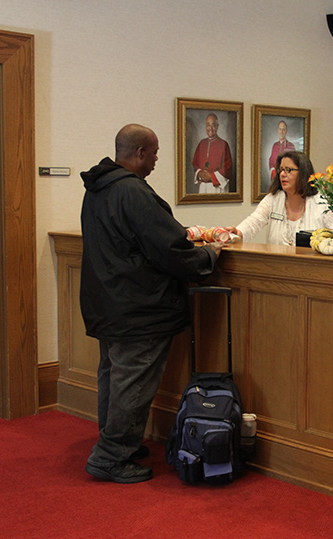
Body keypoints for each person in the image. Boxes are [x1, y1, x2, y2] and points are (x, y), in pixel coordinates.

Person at [80, 123, 225, 484]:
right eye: (156, 152)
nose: (158, 159)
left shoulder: (98, 188)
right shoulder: (132, 192)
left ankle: (116, 442)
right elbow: (169, 249)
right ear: (140, 153)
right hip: (138, 307)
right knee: (133, 381)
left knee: (113, 377)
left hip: (108, 303)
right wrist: (208, 255)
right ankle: (111, 456)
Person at [225, 151, 333, 245]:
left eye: (288, 170)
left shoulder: (322, 203)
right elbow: (254, 221)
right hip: (276, 266)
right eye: (281, 170)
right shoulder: (273, 199)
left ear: (303, 173)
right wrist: (239, 232)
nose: (282, 174)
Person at [192, 113, 232, 193]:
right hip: (203, 187)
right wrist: (200, 173)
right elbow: (195, 163)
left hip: (217, 188)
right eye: (208, 125)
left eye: (213, 125)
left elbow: (227, 168)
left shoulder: (224, 144)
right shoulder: (201, 144)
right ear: (205, 126)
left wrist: (211, 177)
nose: (210, 128)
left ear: (217, 126)